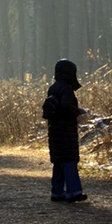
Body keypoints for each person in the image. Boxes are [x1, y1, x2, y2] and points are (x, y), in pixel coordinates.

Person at [45, 59, 89, 203]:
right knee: (69, 161)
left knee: (58, 162)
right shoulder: (67, 89)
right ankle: (74, 191)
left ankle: (57, 192)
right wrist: (79, 111)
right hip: (65, 130)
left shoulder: (53, 88)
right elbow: (65, 106)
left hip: (54, 130)